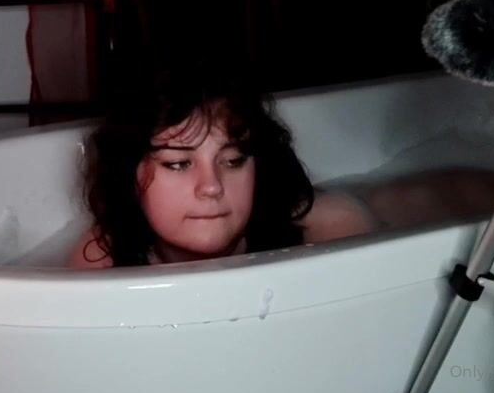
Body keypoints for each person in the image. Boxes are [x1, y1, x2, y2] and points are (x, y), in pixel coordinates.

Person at [68, 64, 377, 268]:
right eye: (178, 164)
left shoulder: (330, 228)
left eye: (233, 161)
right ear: (128, 177)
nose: (212, 186)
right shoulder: (103, 257)